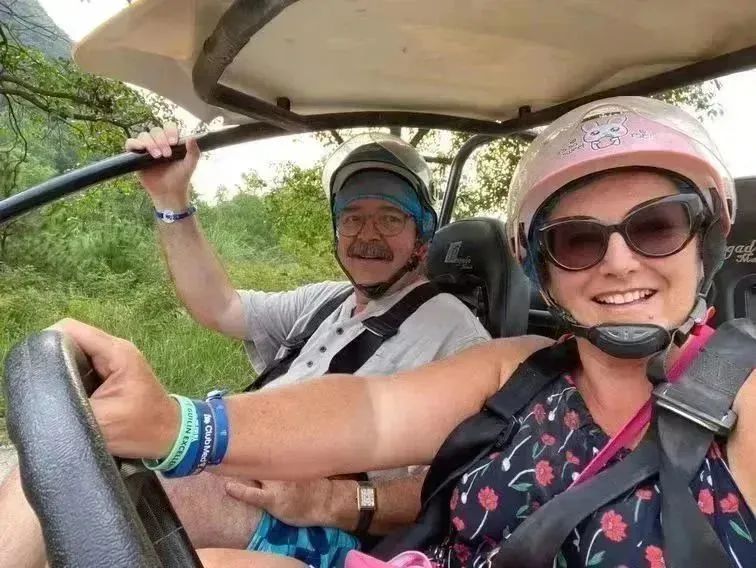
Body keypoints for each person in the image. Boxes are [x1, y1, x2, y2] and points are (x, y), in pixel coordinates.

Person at [3, 95, 755, 568]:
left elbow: (392, 462)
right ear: (544, 268)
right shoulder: (521, 369)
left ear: (706, 242)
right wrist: (180, 425)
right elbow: (371, 411)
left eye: (657, 227)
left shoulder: (740, 402)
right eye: (579, 240)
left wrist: (337, 504)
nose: (619, 261)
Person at [0, 132, 491, 568]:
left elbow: (460, 486)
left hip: (323, 526)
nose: (367, 236)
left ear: (423, 231)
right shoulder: (327, 301)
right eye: (352, 218)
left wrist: (330, 499)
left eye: (390, 219)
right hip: (236, 462)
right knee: (70, 447)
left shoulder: (457, 334)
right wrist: (171, 199)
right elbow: (221, 307)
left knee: (97, 479)